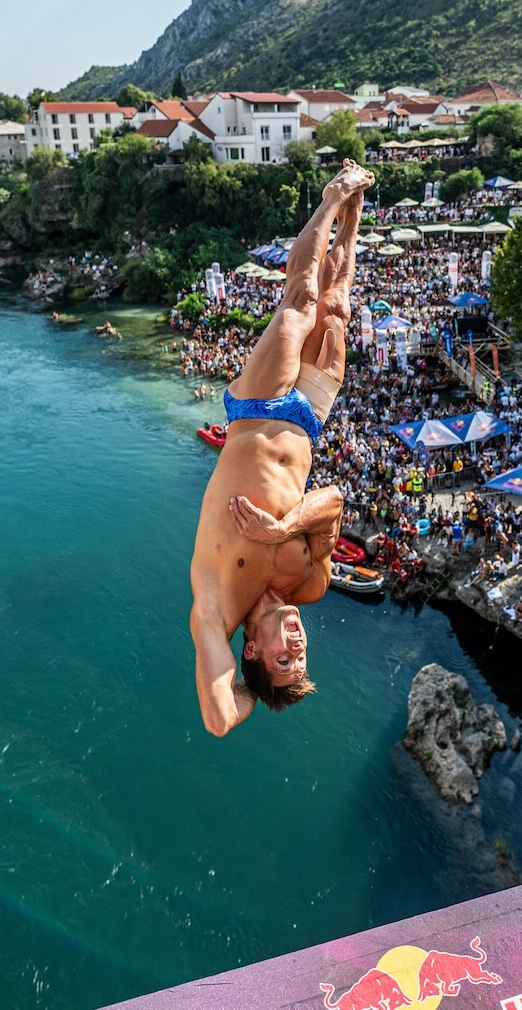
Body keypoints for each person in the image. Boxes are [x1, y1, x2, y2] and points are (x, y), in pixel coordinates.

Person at [188, 161, 373, 736]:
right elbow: (335, 502)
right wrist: (282, 528)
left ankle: (333, 194)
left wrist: (258, 694)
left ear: (251, 655)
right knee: (336, 310)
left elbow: (220, 720)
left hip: (259, 412)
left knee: (299, 300)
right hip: (309, 423)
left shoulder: (217, 611)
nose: (299, 643)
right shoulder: (309, 584)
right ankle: (357, 208)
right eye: (303, 655)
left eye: (285, 658)